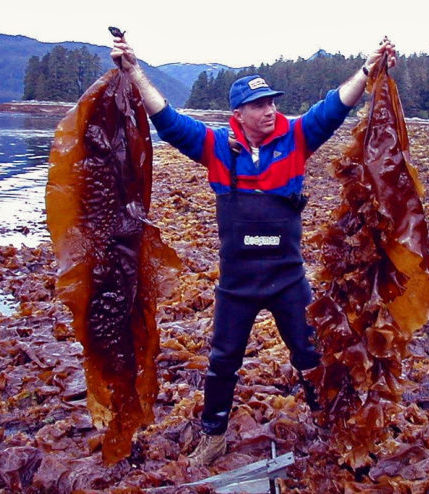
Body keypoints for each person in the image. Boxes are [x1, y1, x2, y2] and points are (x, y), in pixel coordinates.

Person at [111, 36, 396, 467]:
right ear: (239, 114)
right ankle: (214, 435)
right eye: (260, 105)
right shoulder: (216, 148)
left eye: (272, 103)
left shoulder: (297, 138)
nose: (270, 110)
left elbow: (335, 107)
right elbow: (167, 120)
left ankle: (326, 422)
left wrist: (367, 69)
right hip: (237, 285)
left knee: (310, 356)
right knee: (222, 362)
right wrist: (133, 72)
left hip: (287, 280)